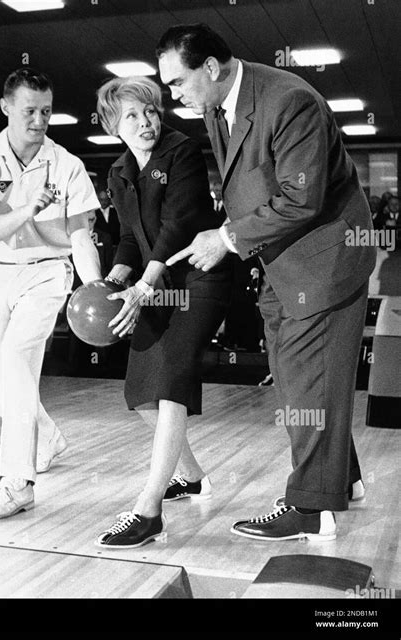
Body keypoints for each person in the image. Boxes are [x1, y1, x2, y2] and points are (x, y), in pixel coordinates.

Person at [158, 23, 377, 542]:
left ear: (210, 68)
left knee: (307, 374)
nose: (174, 95)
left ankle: (311, 508)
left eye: (176, 83)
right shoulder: (217, 106)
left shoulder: (289, 101)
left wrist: (228, 238)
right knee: (292, 369)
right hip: (284, 259)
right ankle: (341, 478)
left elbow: (303, 198)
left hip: (326, 256)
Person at [0, 67, 102, 520]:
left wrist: (94, 287)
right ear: (6, 108)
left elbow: (80, 239)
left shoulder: (68, 165)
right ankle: (47, 435)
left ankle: (16, 483)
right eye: (30, 111)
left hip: (47, 274)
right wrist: (26, 208)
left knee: (18, 361)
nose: (40, 120)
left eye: (47, 111)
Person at [94, 76, 231, 548]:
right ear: (115, 126)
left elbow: (178, 224)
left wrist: (146, 282)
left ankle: (147, 510)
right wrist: (115, 279)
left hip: (199, 277)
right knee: (141, 393)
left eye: (150, 111)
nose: (146, 122)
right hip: (154, 283)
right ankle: (191, 477)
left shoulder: (183, 152)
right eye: (132, 115)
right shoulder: (118, 173)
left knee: (172, 378)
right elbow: (132, 237)